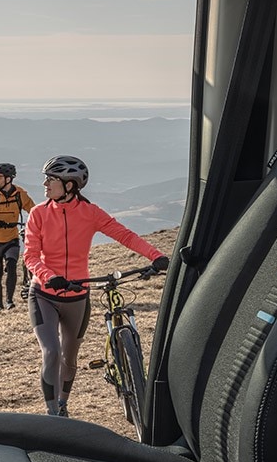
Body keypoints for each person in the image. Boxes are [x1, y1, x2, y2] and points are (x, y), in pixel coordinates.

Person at [24, 154, 170, 417]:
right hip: (44, 294)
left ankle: (63, 404)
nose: (45, 184)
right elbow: (30, 256)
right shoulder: (39, 214)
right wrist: (47, 276)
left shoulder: (90, 213)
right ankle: (52, 414)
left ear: (69, 185)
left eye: (51, 179)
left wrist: (156, 256)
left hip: (77, 296)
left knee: (69, 358)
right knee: (52, 352)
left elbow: (123, 234)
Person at [0, 162, 35, 310]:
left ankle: (9, 301)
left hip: (12, 239)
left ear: (8, 179)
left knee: (12, 266)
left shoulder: (20, 195)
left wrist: (36, 225)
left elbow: (34, 210)